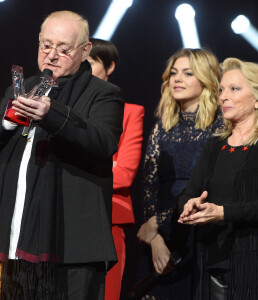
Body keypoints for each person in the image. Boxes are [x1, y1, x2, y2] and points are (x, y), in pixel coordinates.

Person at [0, 11, 124, 300]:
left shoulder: (104, 93)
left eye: (63, 49)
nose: (52, 55)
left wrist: (51, 114)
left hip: (72, 244)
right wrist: (7, 122)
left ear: (85, 50)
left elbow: (103, 142)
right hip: (16, 236)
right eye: (46, 45)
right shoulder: (19, 89)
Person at [178, 57, 258, 300]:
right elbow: (189, 193)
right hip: (211, 261)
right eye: (221, 90)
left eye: (234, 89)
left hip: (256, 263)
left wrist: (222, 212)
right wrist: (189, 205)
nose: (223, 97)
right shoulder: (214, 145)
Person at [136, 48, 223, 299]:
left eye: (187, 73)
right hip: (160, 238)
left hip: (198, 230)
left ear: (206, 80)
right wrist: (154, 238)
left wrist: (157, 223)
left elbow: (211, 185)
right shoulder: (162, 126)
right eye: (173, 73)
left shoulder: (220, 126)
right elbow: (149, 184)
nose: (177, 79)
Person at [88, 38, 145, 300]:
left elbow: (124, 174)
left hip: (109, 217)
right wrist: (107, 163)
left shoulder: (130, 112)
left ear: (109, 67)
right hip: (60, 215)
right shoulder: (60, 109)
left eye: (88, 62)